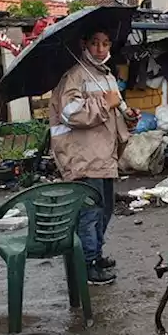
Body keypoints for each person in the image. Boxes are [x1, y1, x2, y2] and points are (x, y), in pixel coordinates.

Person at [49, 27, 139, 284]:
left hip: (104, 157)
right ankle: (87, 264)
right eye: (95, 43)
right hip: (83, 158)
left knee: (105, 210)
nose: (101, 49)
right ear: (84, 44)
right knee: (90, 213)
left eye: (106, 43)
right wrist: (104, 104)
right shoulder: (75, 76)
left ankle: (95, 254)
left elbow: (115, 110)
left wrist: (128, 118)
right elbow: (71, 113)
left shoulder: (106, 75)